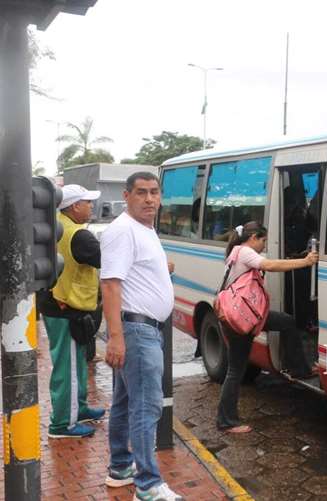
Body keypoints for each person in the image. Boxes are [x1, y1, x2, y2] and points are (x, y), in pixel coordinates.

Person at [100, 172, 184, 500]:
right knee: (147, 407)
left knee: (125, 403)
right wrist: (116, 338)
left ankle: (121, 468)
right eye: (141, 193)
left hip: (143, 329)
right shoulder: (123, 230)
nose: (149, 199)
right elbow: (110, 284)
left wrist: (162, 267)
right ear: (127, 195)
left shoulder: (144, 229)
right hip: (136, 331)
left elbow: (137, 270)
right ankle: (148, 485)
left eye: (154, 192)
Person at [217, 221, 318, 434]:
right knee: (235, 371)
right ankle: (226, 421)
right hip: (240, 320)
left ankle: (299, 369)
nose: (264, 245)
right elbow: (270, 266)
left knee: (286, 322)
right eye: (263, 241)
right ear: (253, 238)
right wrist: (305, 261)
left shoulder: (237, 250)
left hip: (246, 315)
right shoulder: (244, 252)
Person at [38, 184, 106, 439]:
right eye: (87, 202)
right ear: (75, 206)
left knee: (76, 362)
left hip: (57, 303)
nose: (91, 207)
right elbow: (108, 260)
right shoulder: (79, 234)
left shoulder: (55, 225)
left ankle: (79, 408)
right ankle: (62, 425)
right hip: (66, 307)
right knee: (67, 368)